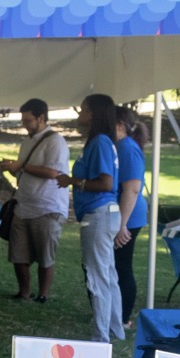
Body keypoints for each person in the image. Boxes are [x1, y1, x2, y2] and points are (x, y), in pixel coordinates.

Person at [58, 94, 123, 343]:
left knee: (98, 277)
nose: (79, 115)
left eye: (83, 110)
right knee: (108, 274)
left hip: (99, 214)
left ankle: (101, 336)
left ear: (94, 115)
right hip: (103, 214)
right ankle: (115, 329)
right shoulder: (102, 142)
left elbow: (105, 183)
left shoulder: (99, 143)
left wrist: (73, 181)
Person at [0, 98, 68, 303]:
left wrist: (19, 165)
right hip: (23, 205)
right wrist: (14, 169)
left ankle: (43, 294)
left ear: (41, 118)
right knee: (19, 255)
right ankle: (24, 292)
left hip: (48, 207)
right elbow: (24, 171)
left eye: (28, 120)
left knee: (46, 255)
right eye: (23, 120)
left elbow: (53, 172)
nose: (24, 124)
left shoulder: (55, 140)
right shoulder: (27, 141)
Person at [113, 105, 149, 329]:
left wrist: (121, 225)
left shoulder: (127, 148)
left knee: (122, 266)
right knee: (116, 265)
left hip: (129, 216)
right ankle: (116, 313)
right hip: (124, 215)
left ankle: (124, 318)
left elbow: (132, 188)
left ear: (119, 126)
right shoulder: (120, 146)